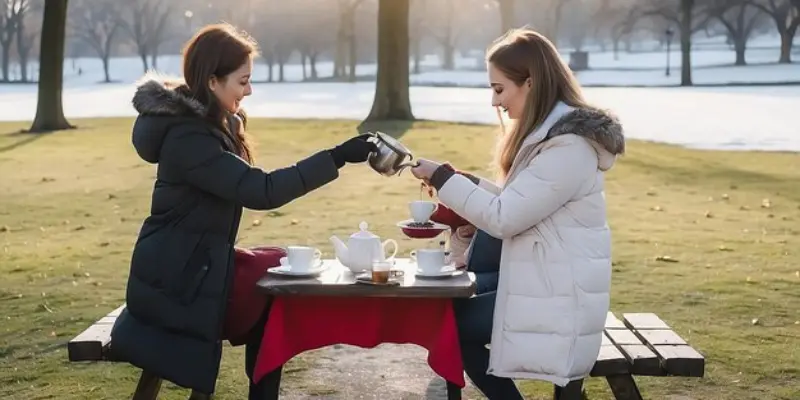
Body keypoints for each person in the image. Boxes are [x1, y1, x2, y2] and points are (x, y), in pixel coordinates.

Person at [109, 23, 377, 399]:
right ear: (213, 82)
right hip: (176, 279)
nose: (249, 90)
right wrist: (337, 157)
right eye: (243, 81)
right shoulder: (190, 139)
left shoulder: (205, 125)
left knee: (280, 265)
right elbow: (260, 190)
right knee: (276, 292)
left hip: (190, 262)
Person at [411, 28, 625, 399]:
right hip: (544, 283)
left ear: (531, 83)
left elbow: (505, 217)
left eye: (499, 89)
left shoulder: (568, 147)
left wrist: (446, 180)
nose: (495, 102)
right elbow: (519, 200)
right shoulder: (553, 137)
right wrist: (461, 181)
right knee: (450, 318)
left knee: (451, 330)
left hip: (560, 299)